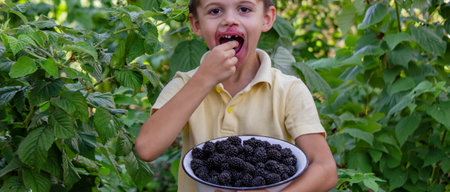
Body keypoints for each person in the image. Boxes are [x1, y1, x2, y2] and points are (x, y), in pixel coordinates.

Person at [135, 0, 338, 191]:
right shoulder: (186, 85)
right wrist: (204, 79)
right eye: (215, 10)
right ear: (196, 24)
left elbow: (325, 170)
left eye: (244, 9)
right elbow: (147, 148)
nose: (230, 19)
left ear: (267, 18)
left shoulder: (289, 90)